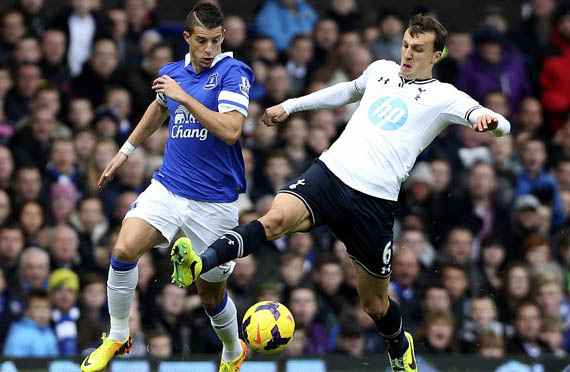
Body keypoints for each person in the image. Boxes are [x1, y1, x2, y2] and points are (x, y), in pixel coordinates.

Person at [170, 14, 510, 372]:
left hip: (373, 202)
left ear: (436, 56)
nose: (407, 53)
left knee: (375, 305)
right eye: (406, 44)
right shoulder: (381, 69)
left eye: (418, 49)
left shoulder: (445, 96)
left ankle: (398, 344)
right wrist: (291, 106)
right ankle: (200, 262)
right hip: (331, 174)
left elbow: (500, 122)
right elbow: (348, 90)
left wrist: (488, 122)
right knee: (274, 219)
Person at [81, 3, 254, 372]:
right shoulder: (172, 73)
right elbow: (158, 109)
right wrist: (124, 152)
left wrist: (184, 97)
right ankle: (117, 334)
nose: (209, 50)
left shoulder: (234, 72)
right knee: (125, 248)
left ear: (223, 39)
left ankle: (231, 349)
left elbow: (230, 130)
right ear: (187, 38)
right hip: (169, 187)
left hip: (214, 203)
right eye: (202, 41)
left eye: (216, 41)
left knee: (210, 296)